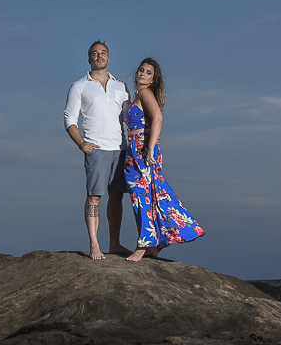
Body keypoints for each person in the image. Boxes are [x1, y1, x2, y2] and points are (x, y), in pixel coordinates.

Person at [122, 58, 205, 261]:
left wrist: (149, 149)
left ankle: (144, 244)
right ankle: (154, 244)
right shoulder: (137, 95)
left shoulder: (144, 92)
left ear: (153, 79)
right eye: (141, 70)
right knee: (153, 195)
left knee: (143, 198)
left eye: (148, 72)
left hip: (142, 151)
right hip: (136, 149)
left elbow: (158, 118)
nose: (143, 74)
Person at [64, 41, 131, 260]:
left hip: (120, 148)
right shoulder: (79, 86)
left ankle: (114, 243)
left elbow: (129, 118)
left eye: (103, 53)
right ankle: (94, 244)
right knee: (94, 197)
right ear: (89, 58)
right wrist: (83, 144)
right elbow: (69, 120)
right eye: (95, 53)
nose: (99, 56)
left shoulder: (121, 86)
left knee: (117, 197)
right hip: (97, 149)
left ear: (109, 58)